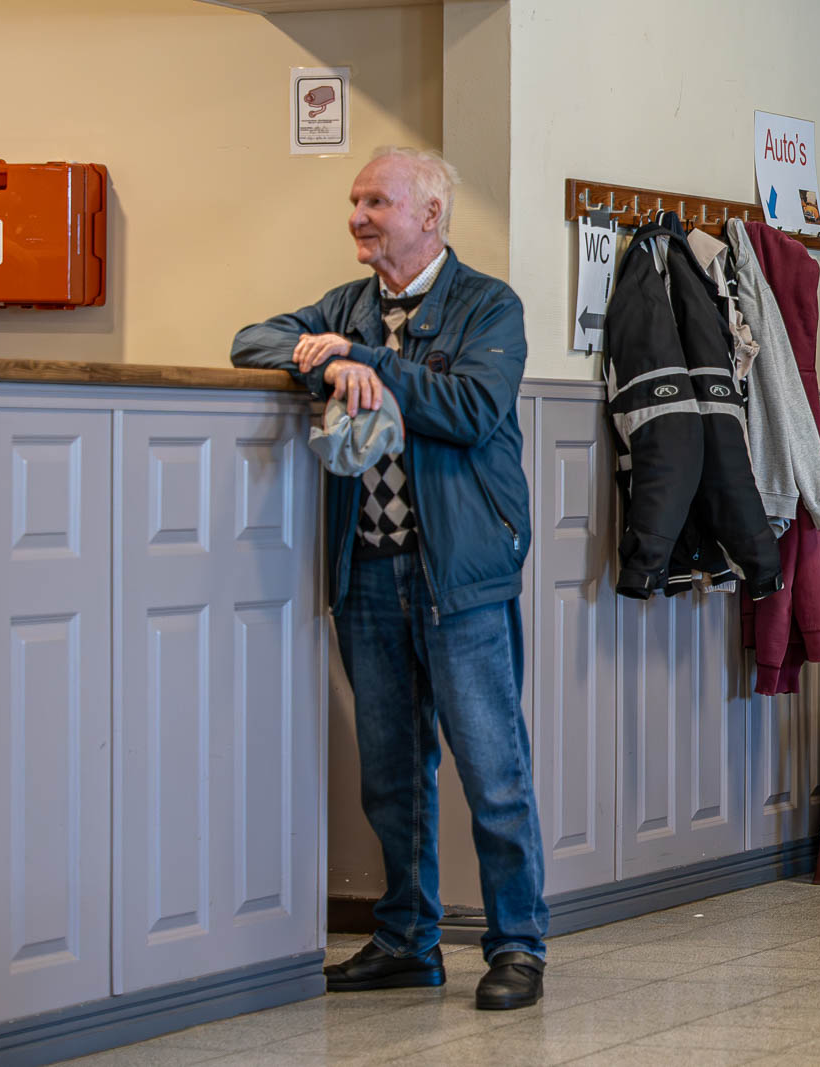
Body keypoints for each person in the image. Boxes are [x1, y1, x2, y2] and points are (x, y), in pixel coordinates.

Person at [231, 146, 550, 1005]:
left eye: (377, 201)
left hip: (461, 580)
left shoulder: (490, 305)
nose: (358, 216)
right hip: (368, 575)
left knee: (493, 772)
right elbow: (251, 340)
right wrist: (327, 360)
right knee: (392, 776)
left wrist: (370, 363)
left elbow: (472, 408)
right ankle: (409, 939)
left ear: (430, 215)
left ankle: (519, 946)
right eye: (355, 200)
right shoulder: (346, 308)